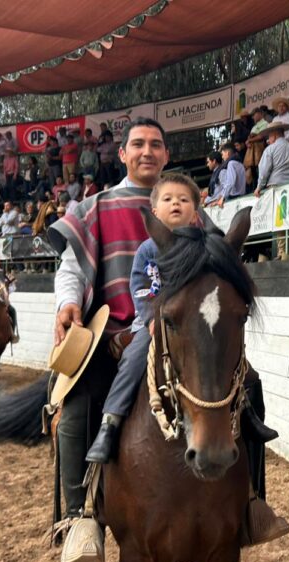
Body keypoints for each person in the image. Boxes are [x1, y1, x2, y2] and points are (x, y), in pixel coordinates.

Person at [48, 117, 288, 562]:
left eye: (156, 144)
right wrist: (68, 302)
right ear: (122, 154)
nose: (147, 151)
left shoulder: (196, 214)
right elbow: (72, 267)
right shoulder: (94, 207)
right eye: (138, 144)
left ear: (166, 154)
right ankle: (81, 516)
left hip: (185, 329)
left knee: (248, 384)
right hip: (117, 330)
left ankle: (252, 500)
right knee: (75, 407)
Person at [85, 173, 202, 462]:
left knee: (235, 363)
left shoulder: (204, 246)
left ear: (195, 213)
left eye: (184, 199)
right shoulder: (147, 250)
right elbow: (140, 287)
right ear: (155, 211)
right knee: (135, 359)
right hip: (154, 323)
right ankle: (110, 423)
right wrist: (151, 317)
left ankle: (247, 413)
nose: (176, 203)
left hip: (196, 325)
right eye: (168, 199)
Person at [252, 122, 289, 196]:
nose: (268, 140)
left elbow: (264, 171)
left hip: (276, 187)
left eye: (269, 137)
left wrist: (259, 187)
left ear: (274, 136)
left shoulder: (270, 149)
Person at [207, 143, 246, 207]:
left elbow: (230, 182)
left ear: (227, 153)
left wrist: (223, 197)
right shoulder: (240, 163)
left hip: (234, 197)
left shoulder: (231, 163)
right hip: (242, 194)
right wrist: (220, 197)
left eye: (222, 154)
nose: (222, 157)